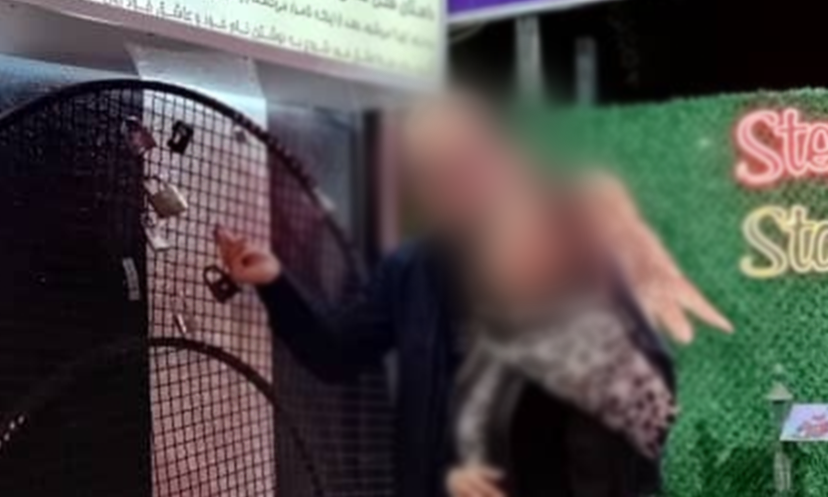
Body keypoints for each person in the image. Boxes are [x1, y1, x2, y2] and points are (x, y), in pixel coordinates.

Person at [215, 91, 731, 497]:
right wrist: (275, 282)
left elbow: (646, 394)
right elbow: (336, 351)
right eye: (432, 171)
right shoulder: (412, 268)